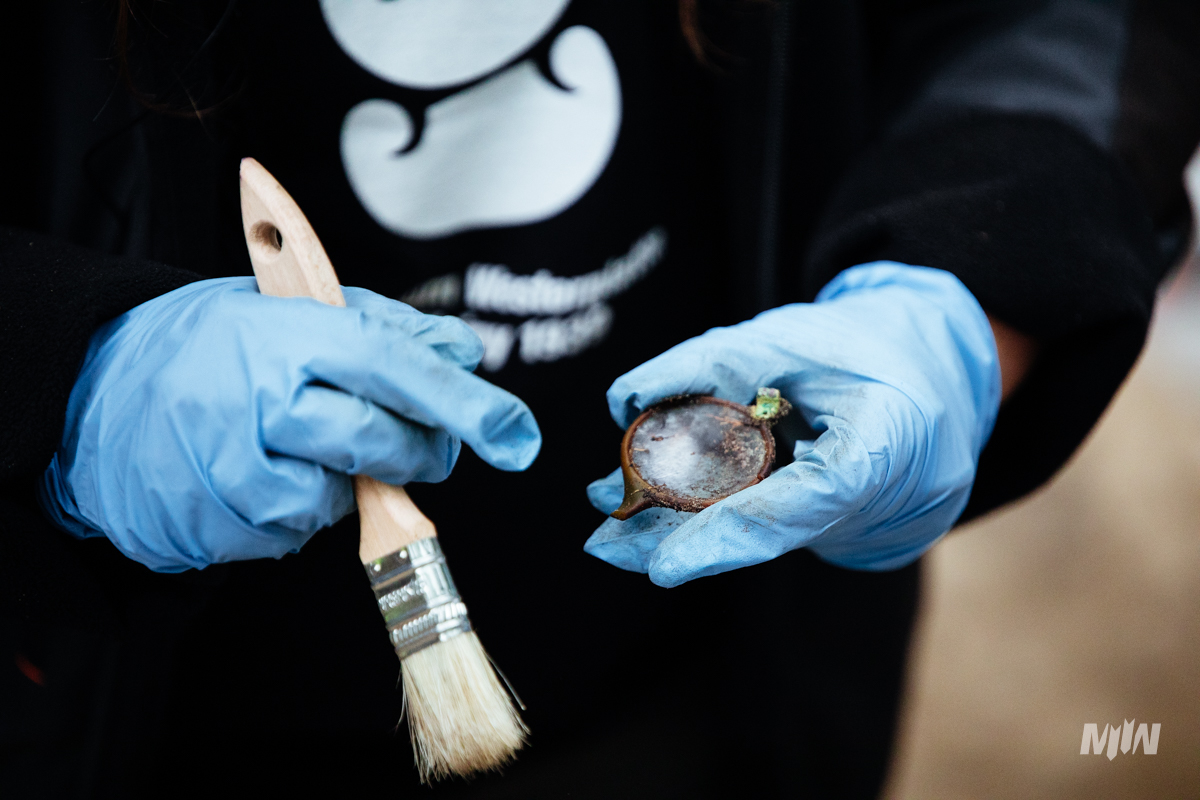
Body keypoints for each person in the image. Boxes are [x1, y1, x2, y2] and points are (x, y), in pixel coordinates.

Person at [3, 1, 1198, 797]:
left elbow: (1065, 26)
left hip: (718, 687)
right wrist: (63, 373)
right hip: (134, 718)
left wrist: (955, 300)